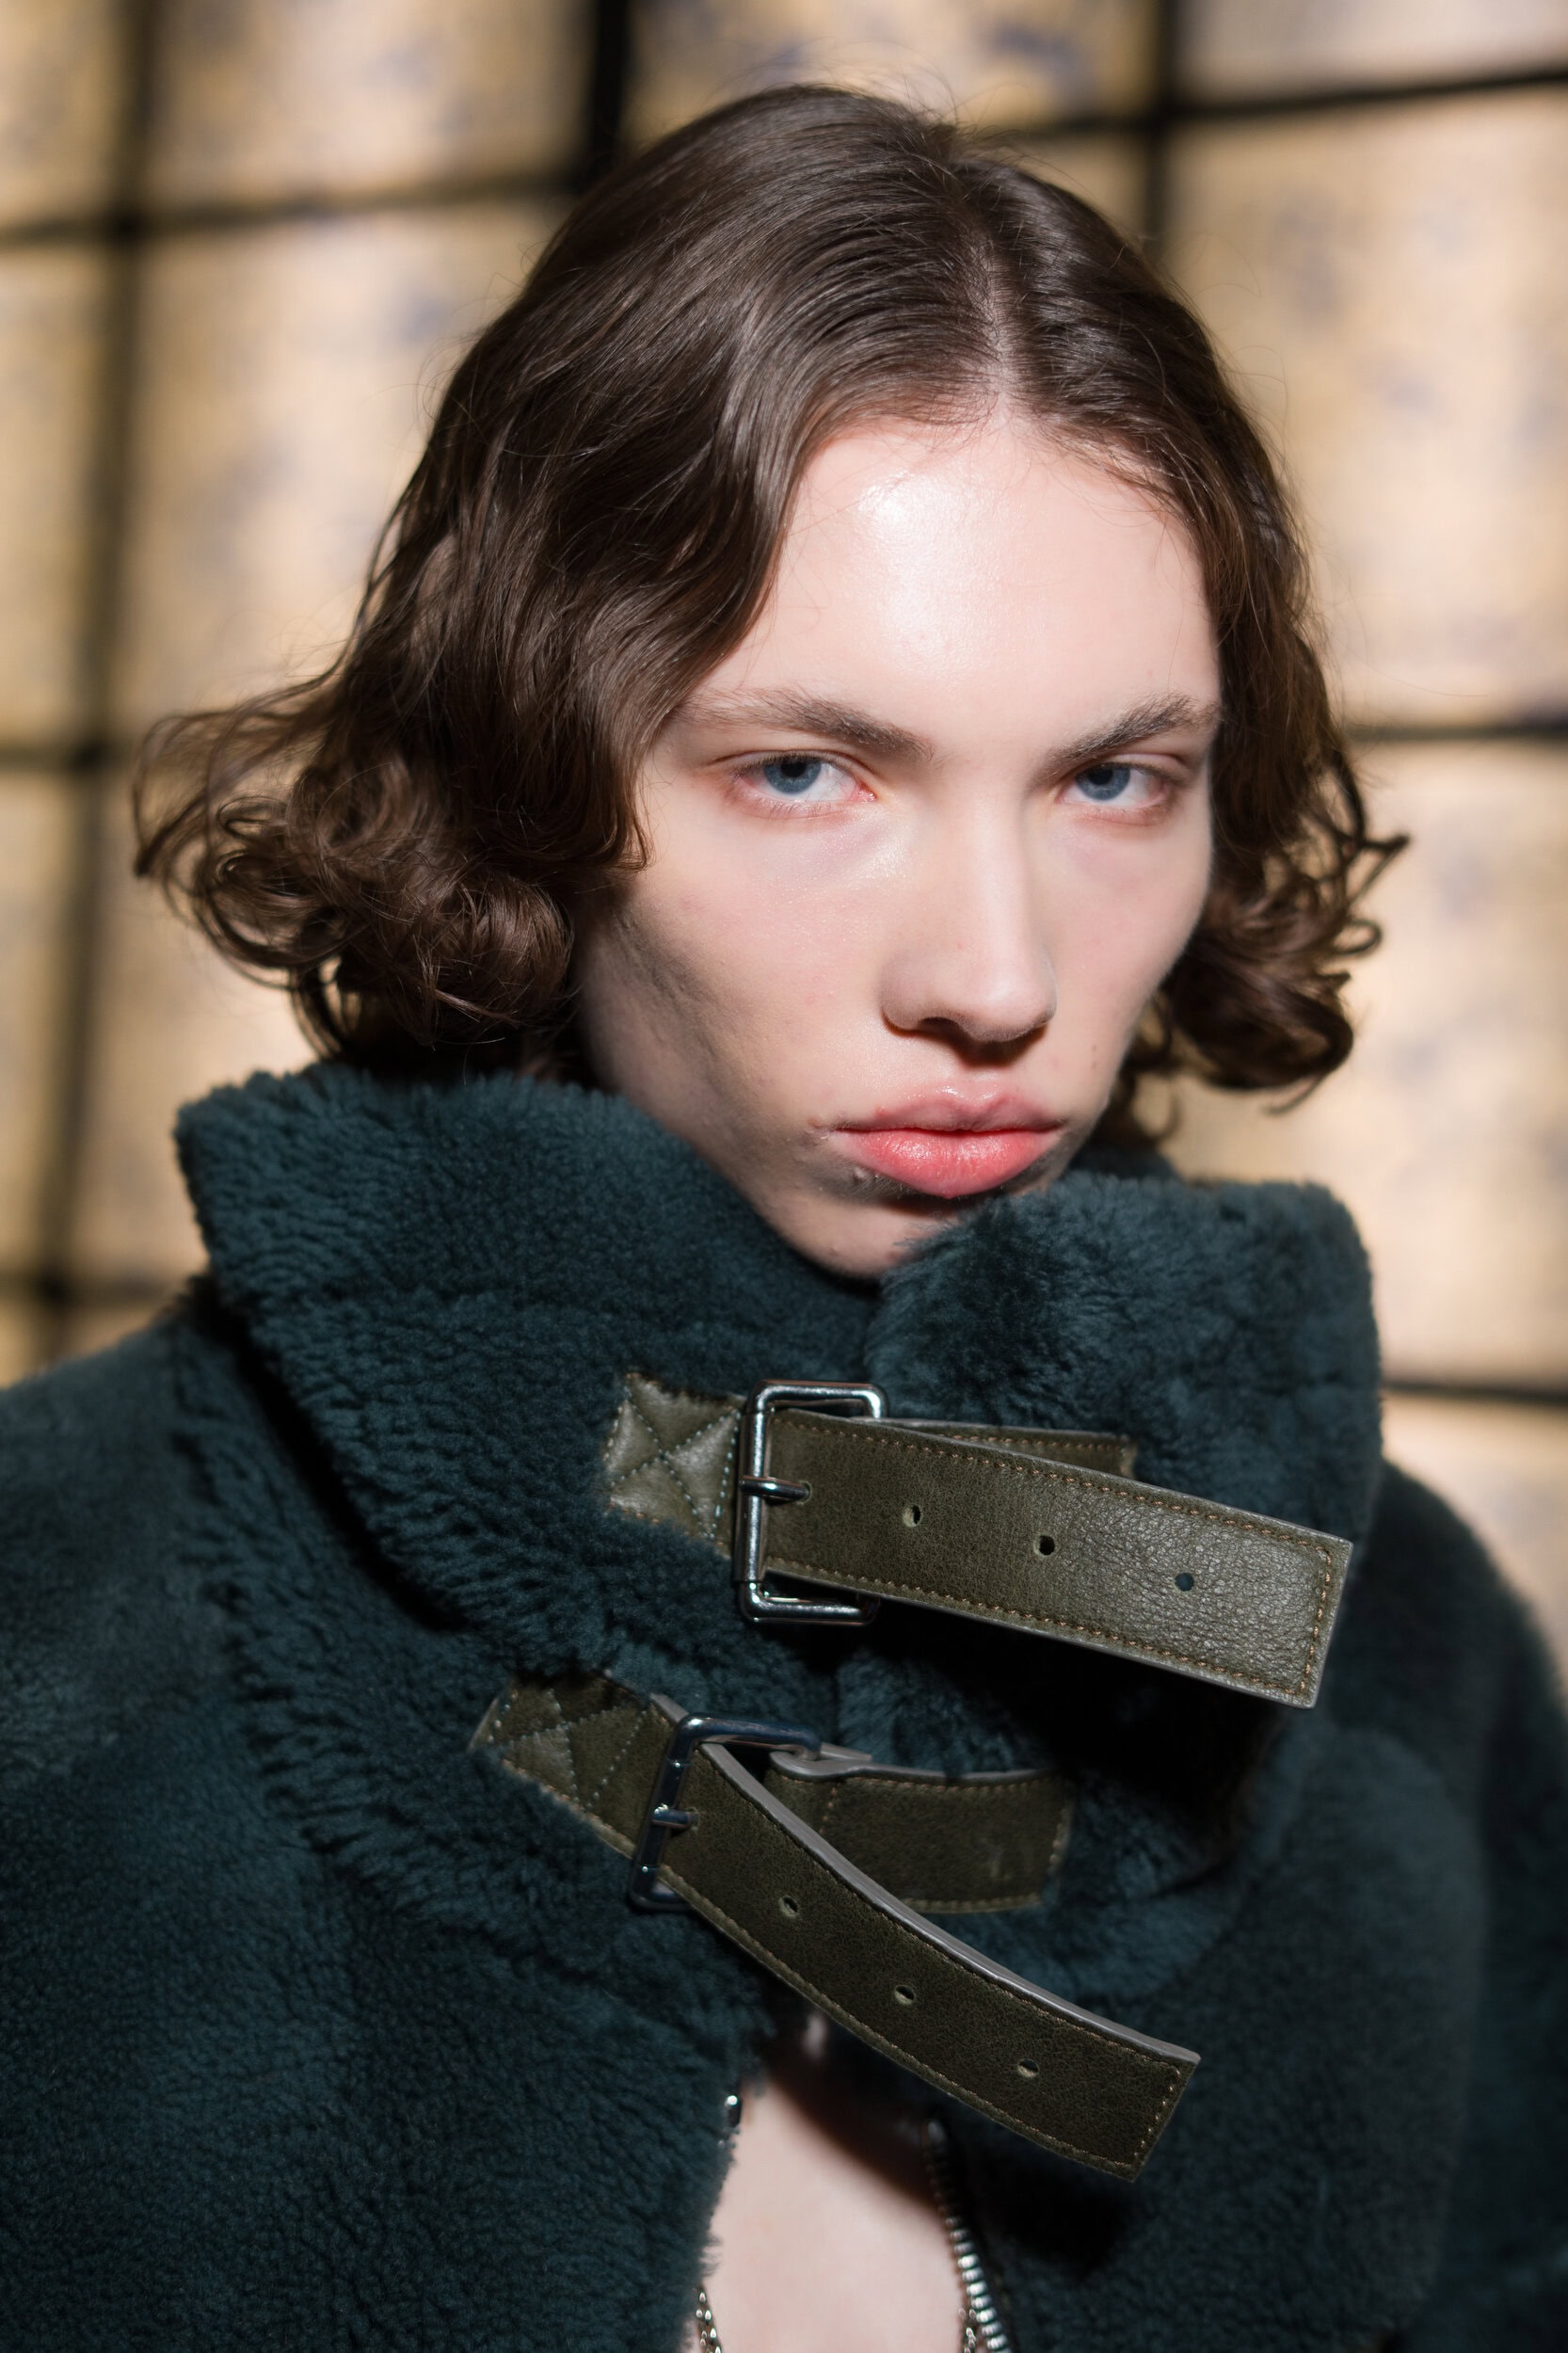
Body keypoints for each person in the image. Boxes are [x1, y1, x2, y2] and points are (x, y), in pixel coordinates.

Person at [3, 85, 1565, 2353]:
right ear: (525, 779)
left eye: (1111, 776)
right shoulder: (51, 1609)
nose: (997, 976)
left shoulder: (1404, 1651)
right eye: (805, 770)